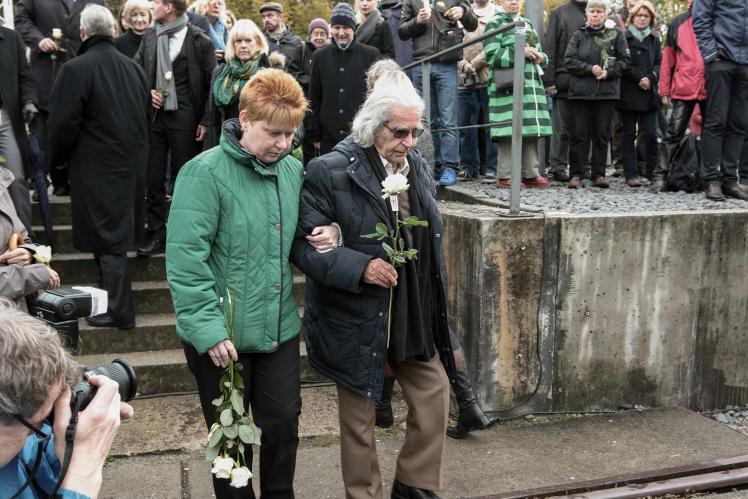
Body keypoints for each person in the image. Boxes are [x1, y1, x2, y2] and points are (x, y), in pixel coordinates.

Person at [167, 69, 339, 498]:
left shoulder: (291, 170)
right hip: (221, 336)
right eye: (273, 133)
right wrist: (207, 330)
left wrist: (330, 233)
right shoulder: (203, 173)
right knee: (231, 440)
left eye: (290, 133)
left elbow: (300, 232)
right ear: (244, 119)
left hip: (277, 328)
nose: (283, 144)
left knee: (283, 424)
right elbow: (186, 261)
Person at [292, 69, 454, 499]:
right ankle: (363, 494)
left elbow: (426, 234)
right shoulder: (329, 170)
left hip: (409, 308)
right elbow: (305, 249)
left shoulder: (415, 164)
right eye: (401, 131)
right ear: (372, 126)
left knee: (434, 394)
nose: (410, 141)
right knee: (359, 419)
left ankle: (414, 486)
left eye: (416, 132)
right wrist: (359, 266)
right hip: (356, 315)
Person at [47, 4, 149, 330]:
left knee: (109, 241)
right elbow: (147, 117)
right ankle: (109, 304)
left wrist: (55, 164)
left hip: (96, 169)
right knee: (111, 240)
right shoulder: (134, 69)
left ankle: (120, 311)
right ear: (114, 30)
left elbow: (62, 125)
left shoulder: (76, 69)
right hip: (130, 167)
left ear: (82, 33)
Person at [0, 302, 133, 499]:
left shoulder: (14, 437)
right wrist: (82, 473)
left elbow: (33, 463)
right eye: (39, 422)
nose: (41, 431)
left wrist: (68, 442)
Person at [134, 0, 216, 257]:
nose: (151, 6)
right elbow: (134, 71)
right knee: (153, 177)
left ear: (168, 7)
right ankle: (157, 231)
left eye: (155, 2)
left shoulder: (200, 40)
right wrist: (147, 92)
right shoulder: (149, 36)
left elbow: (211, 85)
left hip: (187, 119)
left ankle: (187, 235)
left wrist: (205, 120)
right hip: (155, 119)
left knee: (186, 179)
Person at [14, 0, 106, 197]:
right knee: (46, 132)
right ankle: (45, 181)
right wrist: (38, 40)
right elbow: (21, 20)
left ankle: (78, 180)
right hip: (48, 75)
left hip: (85, 73)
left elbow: (102, 24)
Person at [399, 0, 477, 186]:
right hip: (421, 64)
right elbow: (402, 31)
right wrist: (417, 21)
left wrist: (463, 12)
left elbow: (472, 24)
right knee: (427, 119)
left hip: (447, 64)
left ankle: (450, 167)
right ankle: (433, 165)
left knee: (449, 119)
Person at [484, 0, 551, 189]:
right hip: (507, 87)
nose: (513, 1)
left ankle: (531, 173)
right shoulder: (494, 23)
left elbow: (540, 54)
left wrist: (541, 57)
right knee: (508, 129)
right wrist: (521, 50)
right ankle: (505, 175)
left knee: (530, 129)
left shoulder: (528, 23)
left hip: (531, 87)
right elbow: (492, 56)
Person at [563, 0, 629, 189]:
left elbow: (624, 61)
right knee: (578, 136)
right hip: (580, 93)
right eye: (592, 11)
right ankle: (576, 174)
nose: (595, 15)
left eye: (599, 12)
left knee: (601, 135)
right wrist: (589, 68)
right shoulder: (578, 34)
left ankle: (598, 174)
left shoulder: (615, 35)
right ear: (587, 14)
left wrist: (609, 73)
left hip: (605, 93)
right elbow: (569, 60)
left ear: (605, 14)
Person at [693, 0, 748, 201]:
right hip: (721, 59)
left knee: (739, 123)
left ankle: (729, 180)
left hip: (745, 64)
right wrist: (711, 54)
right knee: (716, 121)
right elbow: (700, 19)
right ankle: (712, 180)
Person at [308, 3, 380, 156]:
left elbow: (376, 96)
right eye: (336, 27)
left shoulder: (371, 55)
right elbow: (314, 97)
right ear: (331, 29)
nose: (341, 33)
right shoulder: (319, 57)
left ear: (353, 28)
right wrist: (314, 133)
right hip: (328, 136)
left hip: (361, 135)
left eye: (345, 28)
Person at [655, 0, 705, 191]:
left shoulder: (719, 19)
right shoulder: (678, 22)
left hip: (711, 87)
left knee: (711, 134)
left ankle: (708, 177)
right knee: (674, 132)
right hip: (684, 87)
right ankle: (660, 174)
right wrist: (664, 89)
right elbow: (668, 58)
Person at [1, 170, 60, 312]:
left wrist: (28, 253)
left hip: (16, 319)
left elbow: (22, 236)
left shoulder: (2, 182)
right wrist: (34, 275)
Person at [616, 1, 661, 188]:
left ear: (650, 19)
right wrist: (639, 78)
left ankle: (651, 171)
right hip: (629, 91)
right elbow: (622, 62)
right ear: (632, 17)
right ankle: (631, 174)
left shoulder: (654, 40)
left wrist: (651, 78)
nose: (642, 18)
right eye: (639, 15)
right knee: (628, 134)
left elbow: (659, 63)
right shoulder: (624, 37)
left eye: (646, 16)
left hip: (649, 93)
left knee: (651, 134)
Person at [204, 19, 269, 149]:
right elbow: (213, 115)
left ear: (258, 42)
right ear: (232, 44)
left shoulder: (267, 72)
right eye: (238, 41)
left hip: (257, 143)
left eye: (248, 40)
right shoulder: (221, 72)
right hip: (223, 140)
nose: (243, 45)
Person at [543, 0, 587, 182]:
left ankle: (582, 167)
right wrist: (549, 79)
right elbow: (550, 46)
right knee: (561, 128)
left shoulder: (597, 10)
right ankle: (557, 166)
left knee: (585, 128)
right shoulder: (559, 13)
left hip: (590, 79)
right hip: (564, 78)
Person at [0, 24, 37, 235]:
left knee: (16, 177)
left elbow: (25, 77)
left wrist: (29, 101)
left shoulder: (11, 38)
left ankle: (26, 241)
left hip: (6, 117)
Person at [456, 0, 498, 181]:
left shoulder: (497, 13)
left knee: (490, 127)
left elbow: (495, 43)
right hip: (463, 78)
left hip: (489, 77)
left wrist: (474, 64)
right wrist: (463, 64)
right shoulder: (459, 13)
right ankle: (468, 167)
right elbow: (451, 43)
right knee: (466, 127)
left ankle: (491, 168)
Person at [289, 18, 331, 165]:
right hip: (305, 105)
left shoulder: (331, 52)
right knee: (307, 144)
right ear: (310, 35)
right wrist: (311, 81)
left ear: (328, 36)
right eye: (316, 34)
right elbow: (292, 72)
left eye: (322, 34)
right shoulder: (302, 50)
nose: (319, 37)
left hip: (325, 104)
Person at [259, 2, 302, 71]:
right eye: (263, 17)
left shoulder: (297, 42)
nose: (266, 19)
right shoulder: (259, 42)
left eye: (270, 16)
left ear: (280, 17)